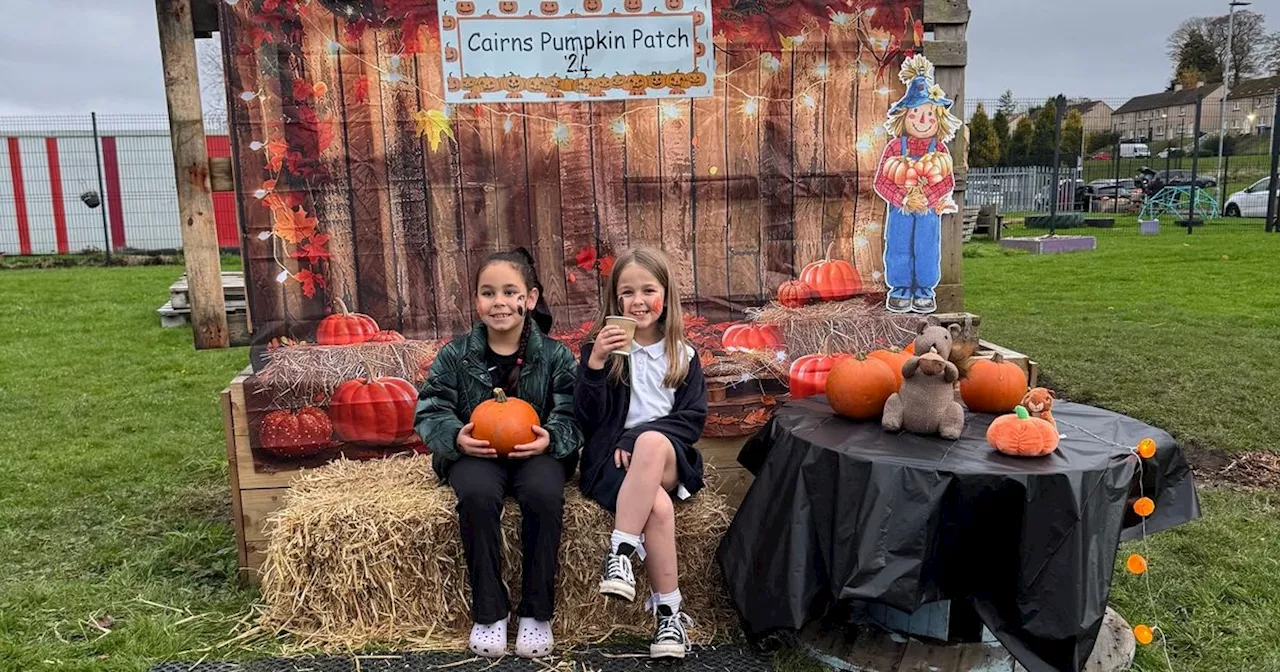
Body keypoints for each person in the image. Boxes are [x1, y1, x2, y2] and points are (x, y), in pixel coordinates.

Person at [414, 248, 581, 659]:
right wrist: (456, 438)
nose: (499, 302)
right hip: (478, 453)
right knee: (476, 496)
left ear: (531, 298)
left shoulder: (556, 355)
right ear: (476, 301)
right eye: (488, 293)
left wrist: (553, 438)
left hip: (536, 453)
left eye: (510, 292)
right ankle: (489, 612)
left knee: (543, 495)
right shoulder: (456, 355)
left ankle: (535, 612)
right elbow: (430, 406)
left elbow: (573, 409)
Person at [573, 247, 708, 659]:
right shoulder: (605, 350)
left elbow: (691, 421)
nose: (638, 301)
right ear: (615, 301)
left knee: (650, 442)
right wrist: (595, 364)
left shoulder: (683, 355)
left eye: (648, 290)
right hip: (611, 463)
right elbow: (588, 418)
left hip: (666, 458)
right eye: (627, 293)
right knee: (660, 509)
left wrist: (639, 438)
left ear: (665, 296)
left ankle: (620, 552)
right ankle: (669, 616)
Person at [872, 53, 961, 315]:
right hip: (901, 209)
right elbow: (881, 182)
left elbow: (946, 181)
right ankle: (899, 290)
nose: (923, 121)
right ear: (904, 116)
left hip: (927, 211)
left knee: (926, 248)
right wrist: (902, 198)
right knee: (898, 245)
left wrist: (929, 199)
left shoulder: (940, 148)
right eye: (916, 113)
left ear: (939, 118)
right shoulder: (893, 147)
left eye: (930, 114)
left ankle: (924, 291)